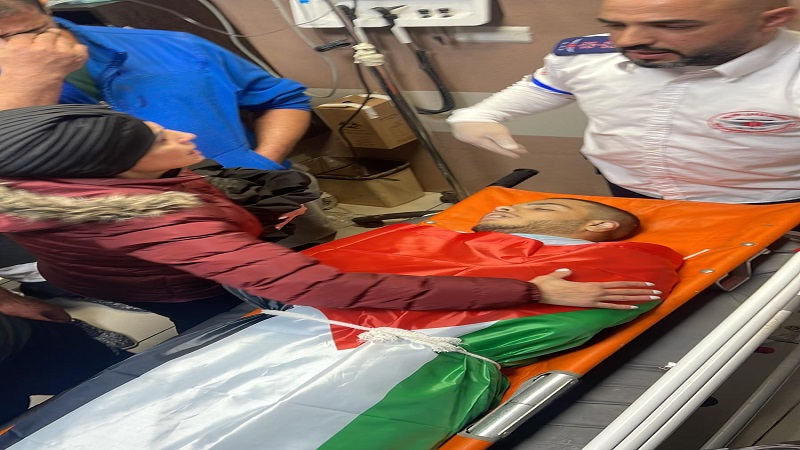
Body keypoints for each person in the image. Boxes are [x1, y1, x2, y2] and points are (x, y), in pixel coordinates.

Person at [0, 105, 663, 333]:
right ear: (107, 174)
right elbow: (324, 288)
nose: (183, 135)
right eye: (156, 141)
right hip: (176, 294)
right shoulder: (152, 223)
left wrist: (242, 217)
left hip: (122, 263)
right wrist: (532, 290)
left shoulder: (52, 176)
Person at [0, 0, 336, 248]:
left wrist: (262, 164)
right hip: (139, 236)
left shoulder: (174, 44)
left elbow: (281, 99)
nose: (19, 48)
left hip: (265, 197)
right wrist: (27, 83)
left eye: (31, 32)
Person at [448, 0, 800, 204]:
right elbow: (551, 85)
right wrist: (482, 113)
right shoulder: (588, 53)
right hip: (631, 190)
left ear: (771, 20)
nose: (630, 41)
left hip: (768, 203)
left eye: (675, 26)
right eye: (616, 25)